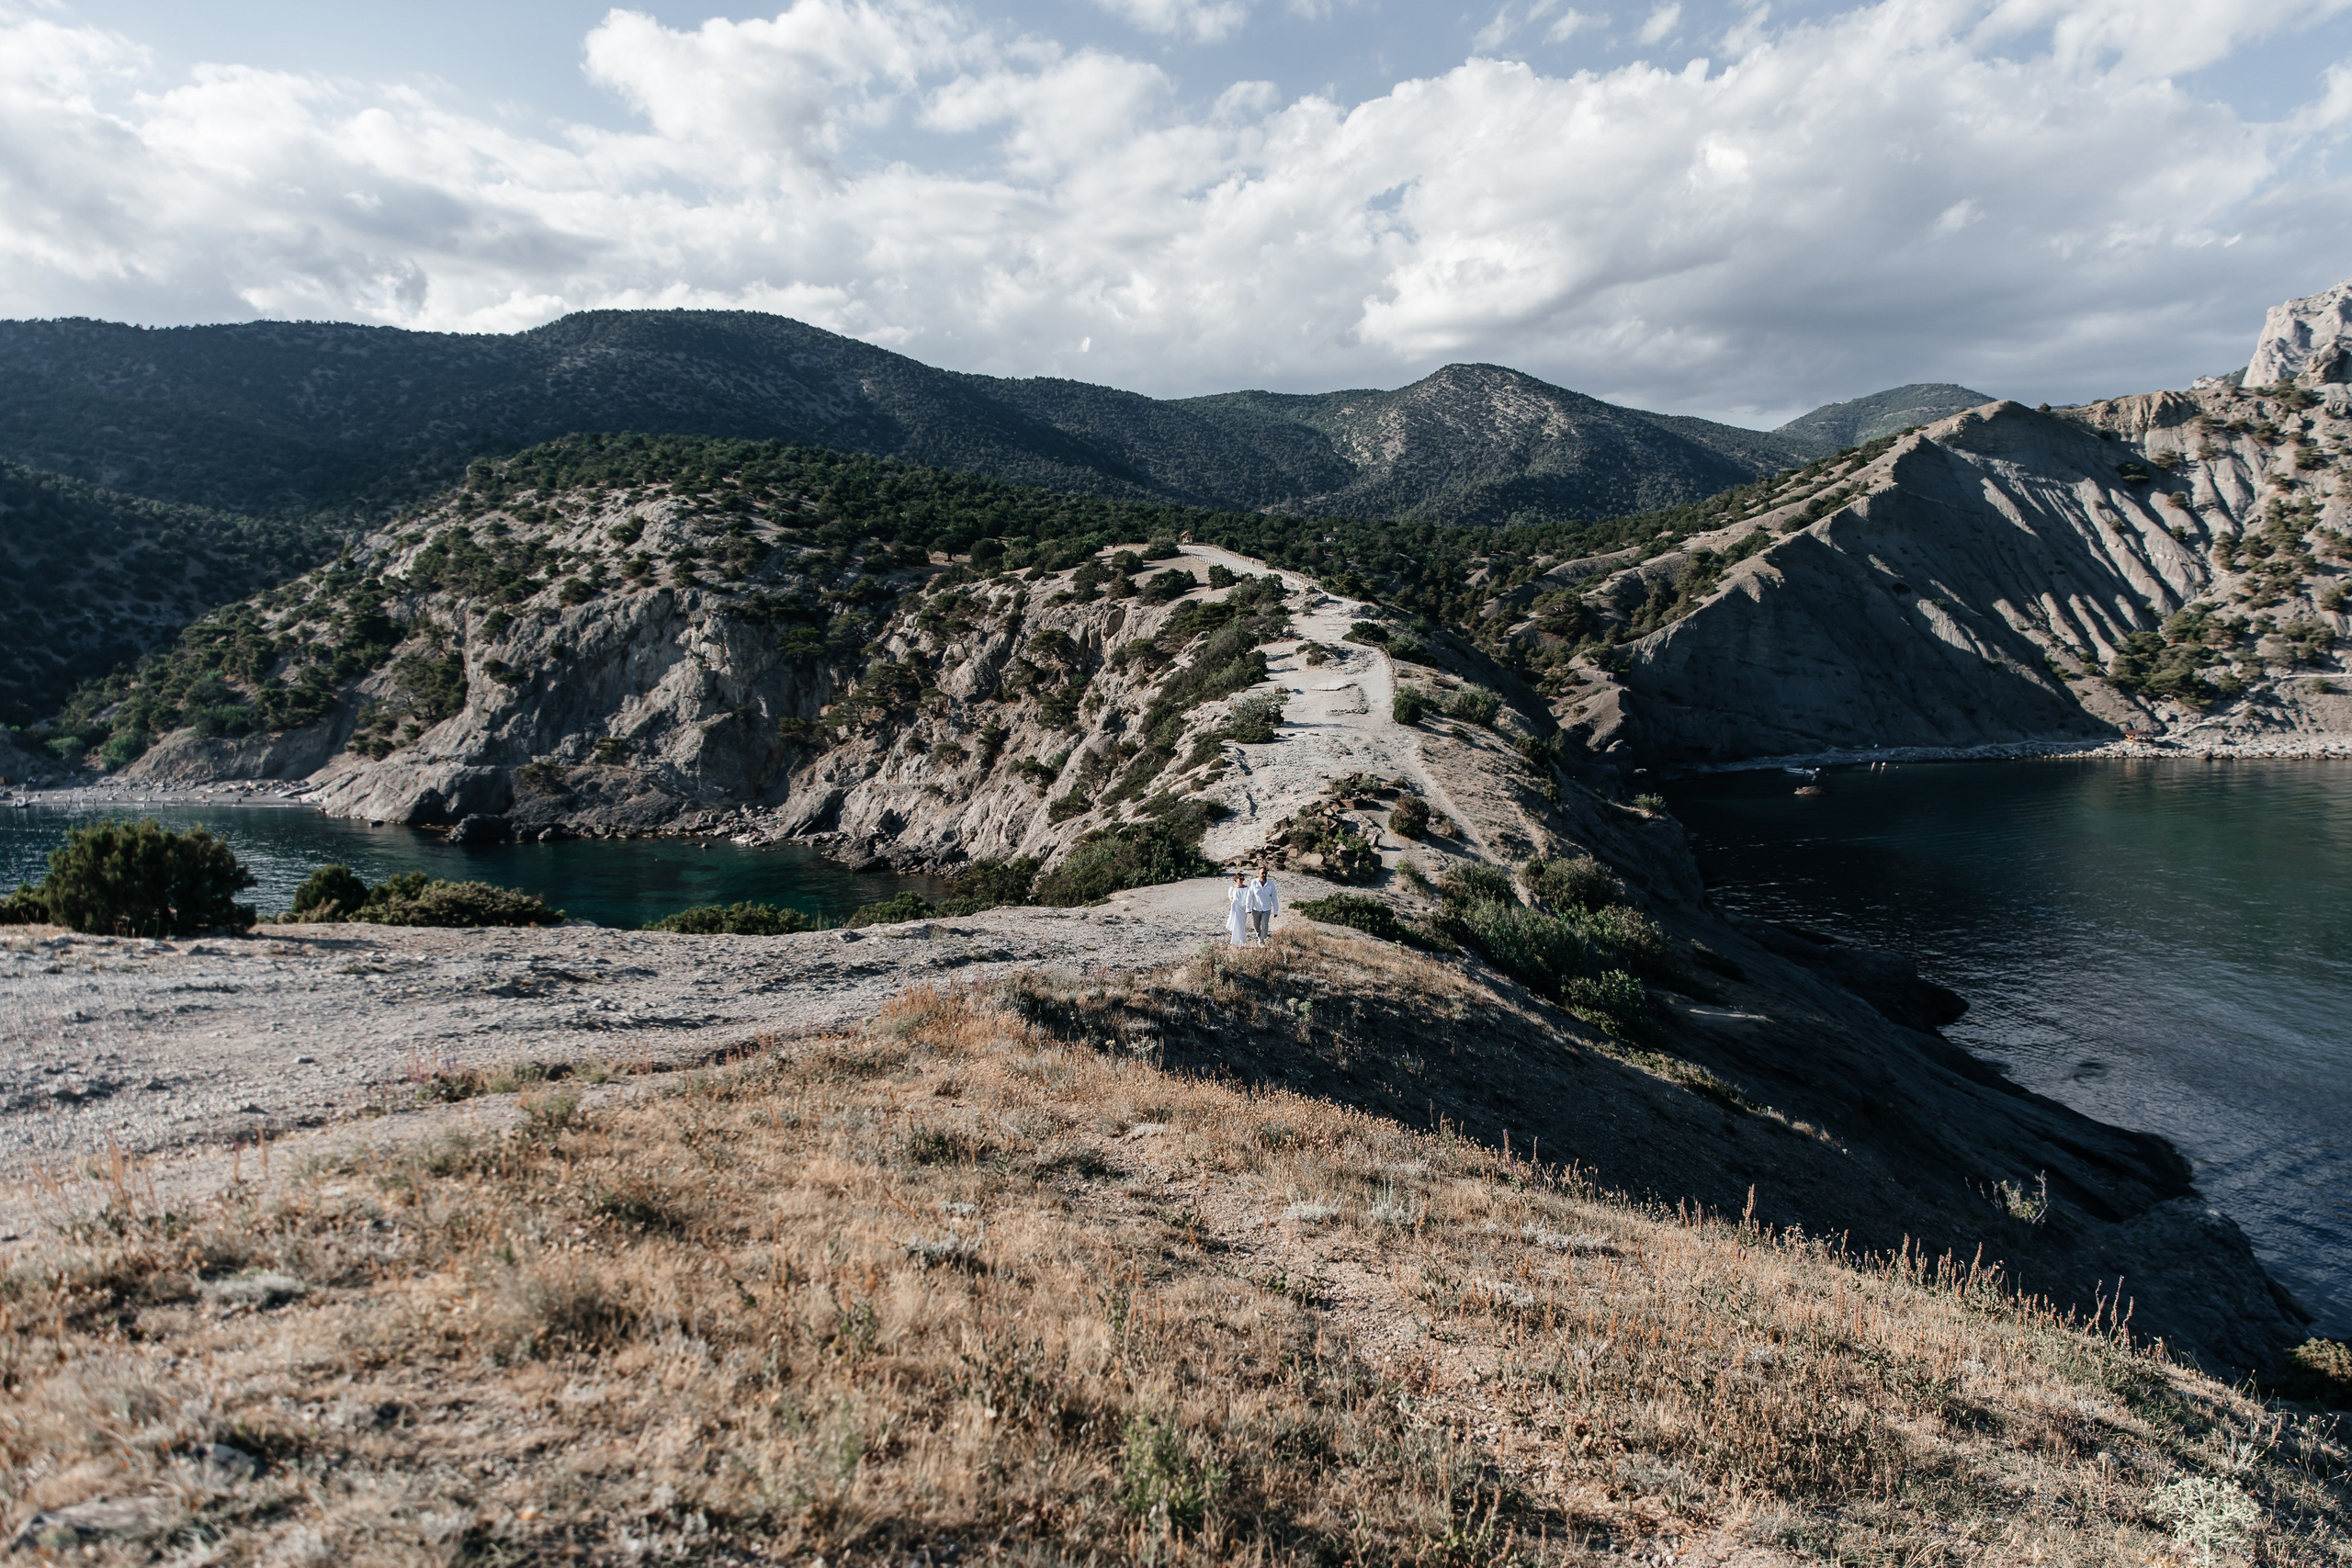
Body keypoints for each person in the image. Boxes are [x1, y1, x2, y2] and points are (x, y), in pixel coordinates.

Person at [1247, 865, 1279, 945]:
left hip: (1266, 909)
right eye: (1262, 873)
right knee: (1256, 925)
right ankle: (1259, 936)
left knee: (1264, 925)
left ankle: (1262, 939)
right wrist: (1248, 908)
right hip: (1256, 908)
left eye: (1265, 873)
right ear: (1259, 873)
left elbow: (1274, 898)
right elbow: (1249, 895)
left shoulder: (1270, 884)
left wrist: (1276, 911)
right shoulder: (1254, 882)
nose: (1264, 875)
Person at [1225, 872, 1252, 948]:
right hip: (1236, 908)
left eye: (1243, 879)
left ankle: (1242, 942)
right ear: (1236, 879)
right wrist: (1233, 901)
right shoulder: (1232, 888)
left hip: (1243, 909)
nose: (1242, 880)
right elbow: (1230, 897)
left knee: (1242, 925)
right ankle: (1235, 942)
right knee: (1236, 924)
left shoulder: (1246, 888)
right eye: (1240, 879)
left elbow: (1248, 897)